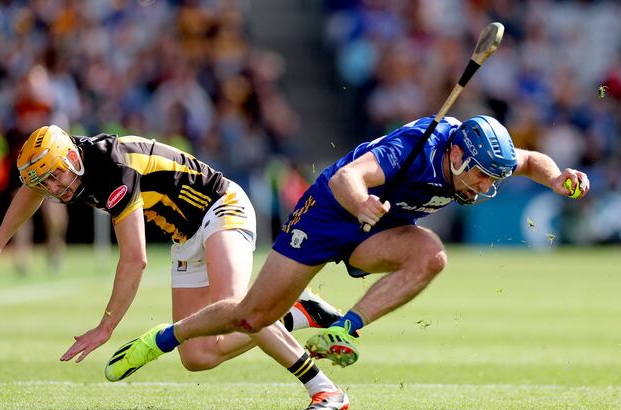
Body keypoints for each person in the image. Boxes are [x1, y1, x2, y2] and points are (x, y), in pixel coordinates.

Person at [106, 115, 591, 387]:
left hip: (378, 228)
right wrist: (361, 203)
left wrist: (557, 177)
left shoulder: (475, 156)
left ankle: (342, 328)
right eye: (482, 175)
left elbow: (528, 160)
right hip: (328, 215)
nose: (485, 185)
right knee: (251, 317)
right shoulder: (413, 148)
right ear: (457, 155)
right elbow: (346, 177)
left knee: (431, 255)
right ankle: (160, 340)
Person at [0, 125, 350, 410]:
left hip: (221, 207)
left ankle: (324, 388)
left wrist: (106, 327)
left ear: (71, 159)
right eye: (45, 179)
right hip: (185, 236)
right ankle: (297, 313)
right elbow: (30, 190)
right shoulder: (69, 165)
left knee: (234, 304)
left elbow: (135, 258)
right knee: (198, 356)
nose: (54, 187)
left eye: (55, 175)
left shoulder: (113, 170)